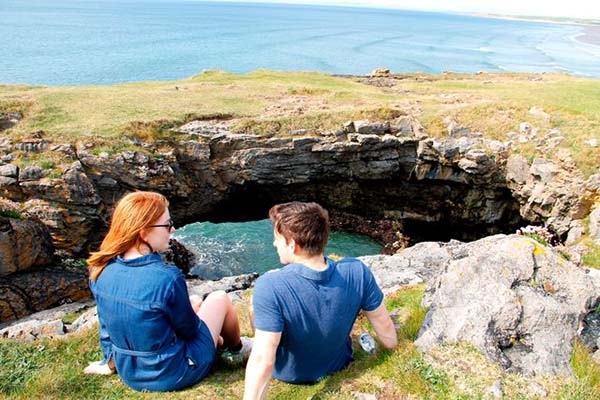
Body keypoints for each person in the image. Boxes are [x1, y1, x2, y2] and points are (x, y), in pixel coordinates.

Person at [83, 191, 251, 392]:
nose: (173, 229)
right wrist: (211, 335)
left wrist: (109, 363)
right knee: (219, 298)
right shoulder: (167, 277)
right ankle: (238, 349)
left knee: (195, 300)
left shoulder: (100, 270)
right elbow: (189, 330)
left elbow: (107, 328)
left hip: (130, 371)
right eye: (167, 225)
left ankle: (220, 341)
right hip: (174, 372)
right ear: (143, 232)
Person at [243, 202, 397, 400]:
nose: (274, 244)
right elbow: (383, 322)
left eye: (277, 239)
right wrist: (393, 350)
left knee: (255, 307)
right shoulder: (357, 271)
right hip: (338, 364)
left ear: (292, 244)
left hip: (289, 373)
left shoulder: (269, 285)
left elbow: (263, 358)